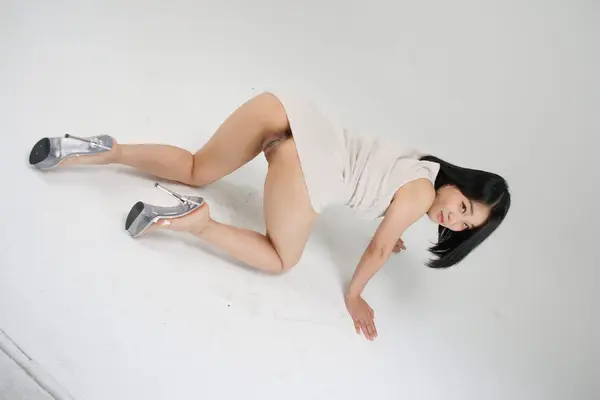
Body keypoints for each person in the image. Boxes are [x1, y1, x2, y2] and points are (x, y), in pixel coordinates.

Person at [27, 92, 511, 341]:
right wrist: (354, 295)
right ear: (460, 183)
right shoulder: (420, 195)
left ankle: (105, 150)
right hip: (303, 164)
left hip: (283, 110)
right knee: (281, 259)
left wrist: (397, 227)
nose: (453, 219)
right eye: (463, 207)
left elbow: (386, 198)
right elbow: (380, 246)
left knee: (196, 167)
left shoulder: (422, 166)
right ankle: (197, 222)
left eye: (463, 225)